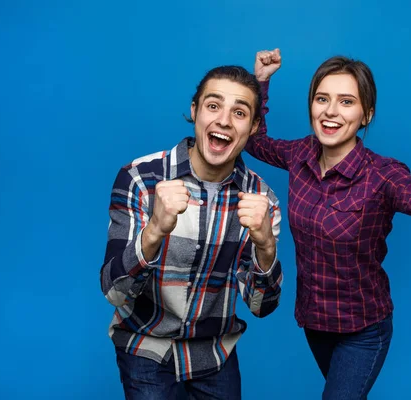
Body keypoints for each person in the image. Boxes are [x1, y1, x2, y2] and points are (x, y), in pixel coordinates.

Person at [246, 49, 411, 399]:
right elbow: (253, 139)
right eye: (322, 99)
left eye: (346, 102)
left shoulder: (381, 175)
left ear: (366, 115)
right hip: (314, 322)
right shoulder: (300, 154)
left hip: (363, 329)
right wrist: (261, 80)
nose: (331, 111)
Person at [100, 65, 283, 400]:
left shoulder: (262, 200)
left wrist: (266, 249)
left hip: (214, 353)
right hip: (146, 344)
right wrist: (155, 230)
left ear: (254, 126)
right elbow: (114, 291)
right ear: (196, 111)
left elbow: (262, 306)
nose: (225, 120)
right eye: (213, 106)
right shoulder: (139, 180)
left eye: (239, 112)